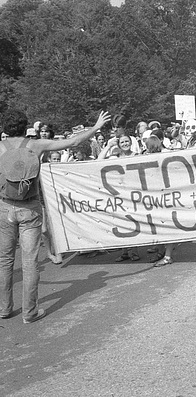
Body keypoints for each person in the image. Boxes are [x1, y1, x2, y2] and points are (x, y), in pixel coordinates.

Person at [0, 109, 111, 323]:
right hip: (30, 206)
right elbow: (73, 142)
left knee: (5, 260)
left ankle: (4, 309)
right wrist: (96, 127)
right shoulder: (36, 145)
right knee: (30, 260)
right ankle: (29, 312)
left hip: (4, 206)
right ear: (26, 127)